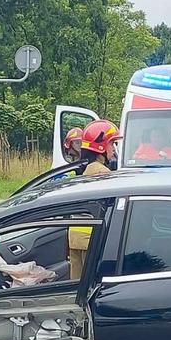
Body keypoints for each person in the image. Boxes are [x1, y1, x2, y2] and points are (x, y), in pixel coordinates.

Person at [69, 119, 120, 278]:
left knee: (76, 283)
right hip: (89, 236)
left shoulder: (87, 169)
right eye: (111, 144)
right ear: (101, 147)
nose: (113, 149)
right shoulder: (101, 173)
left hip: (77, 234)